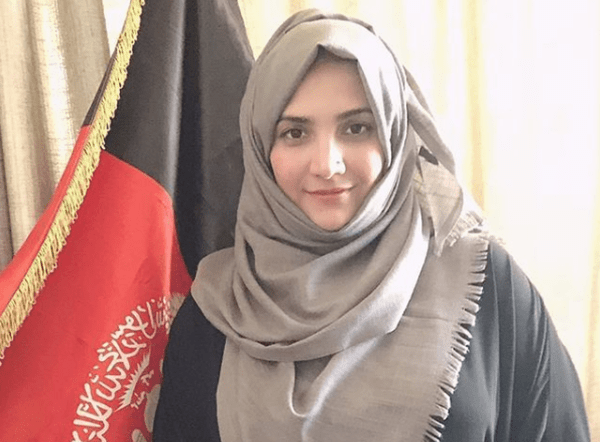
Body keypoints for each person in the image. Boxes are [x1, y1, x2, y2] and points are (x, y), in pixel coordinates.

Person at [153, 9, 590, 441]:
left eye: (357, 128)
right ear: (260, 146)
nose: (327, 164)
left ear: (395, 134)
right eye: (295, 133)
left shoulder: (487, 287)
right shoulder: (217, 313)